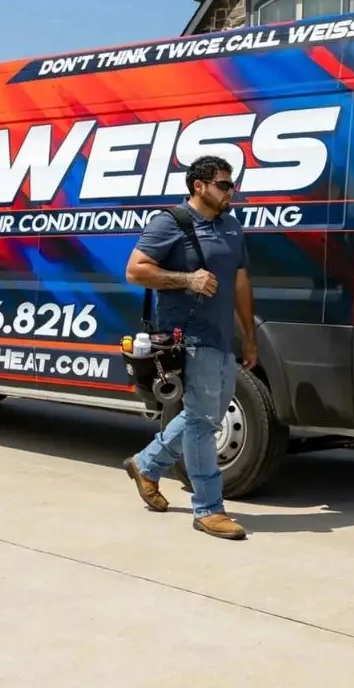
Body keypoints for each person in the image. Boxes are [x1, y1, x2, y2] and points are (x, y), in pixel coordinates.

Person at [123, 154, 257, 540]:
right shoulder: (172, 223)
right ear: (200, 186)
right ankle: (209, 509)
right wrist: (186, 279)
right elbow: (135, 270)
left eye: (232, 184)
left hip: (221, 339)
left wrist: (249, 334)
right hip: (188, 339)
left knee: (205, 415)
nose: (232, 191)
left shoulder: (231, 227)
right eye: (225, 184)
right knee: (201, 422)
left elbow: (242, 281)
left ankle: (146, 464)